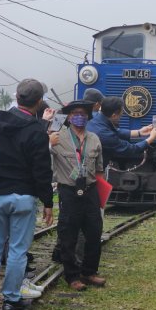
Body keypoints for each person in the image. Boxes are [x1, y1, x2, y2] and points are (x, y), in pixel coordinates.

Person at [0, 79, 54, 310]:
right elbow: (41, 170)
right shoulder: (36, 131)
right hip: (22, 195)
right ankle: (11, 299)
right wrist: (48, 202)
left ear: (17, 97)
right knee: (17, 250)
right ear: (39, 102)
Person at [51, 100, 105, 291]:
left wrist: (102, 197)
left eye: (82, 113)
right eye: (74, 113)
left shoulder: (94, 139)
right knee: (69, 233)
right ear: (69, 117)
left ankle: (89, 271)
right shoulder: (58, 138)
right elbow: (43, 152)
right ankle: (72, 275)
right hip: (69, 191)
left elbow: (99, 170)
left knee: (94, 232)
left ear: (88, 116)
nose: (79, 116)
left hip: (90, 191)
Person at [87, 96, 156, 167]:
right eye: (121, 113)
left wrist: (139, 132)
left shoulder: (95, 117)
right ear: (114, 115)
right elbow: (131, 149)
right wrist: (151, 138)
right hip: (92, 170)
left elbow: (114, 131)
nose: (122, 115)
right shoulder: (106, 136)